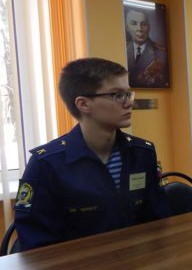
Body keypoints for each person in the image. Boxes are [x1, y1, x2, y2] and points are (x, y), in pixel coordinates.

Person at [14, 58, 170, 251]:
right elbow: (36, 244)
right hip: (78, 267)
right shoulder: (46, 164)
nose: (129, 102)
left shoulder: (142, 153)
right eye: (117, 95)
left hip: (137, 262)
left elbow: (158, 221)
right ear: (83, 104)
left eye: (128, 93)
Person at [125, 8, 170, 88]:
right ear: (127, 28)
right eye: (134, 23)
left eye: (144, 24)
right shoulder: (122, 50)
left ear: (149, 27)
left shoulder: (161, 53)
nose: (139, 29)